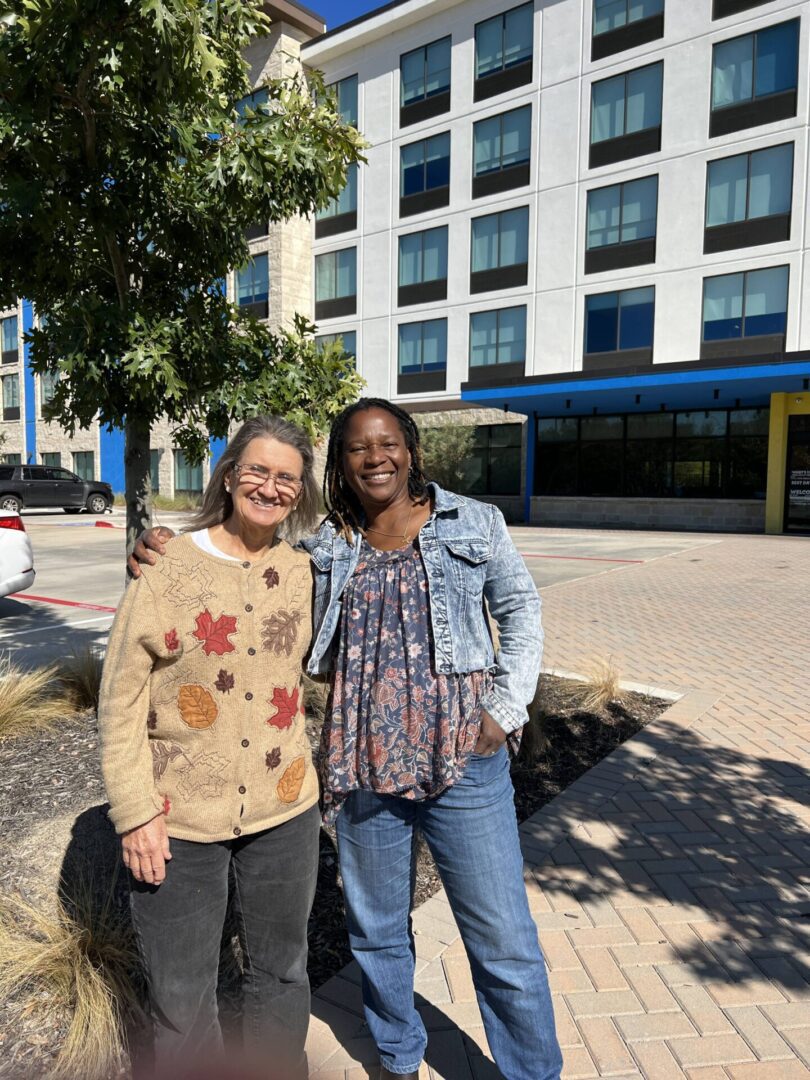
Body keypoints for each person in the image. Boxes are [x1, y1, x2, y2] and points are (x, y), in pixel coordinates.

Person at [132, 399, 562, 1080]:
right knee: (378, 934)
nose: (375, 458)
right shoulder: (327, 545)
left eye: (387, 443)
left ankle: (531, 1071)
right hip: (362, 764)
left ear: (410, 449)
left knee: (503, 940)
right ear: (339, 465)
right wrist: (167, 549)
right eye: (358, 449)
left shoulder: (473, 522)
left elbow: (521, 606)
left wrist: (506, 709)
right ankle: (398, 1056)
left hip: (463, 764)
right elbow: (246, 557)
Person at [101, 415, 320, 1080]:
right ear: (228, 476)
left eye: (287, 478)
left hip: (285, 814)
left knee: (281, 976)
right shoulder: (167, 566)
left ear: (300, 491)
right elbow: (120, 698)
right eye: (257, 470)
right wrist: (135, 810)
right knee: (181, 999)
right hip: (179, 820)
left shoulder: (305, 570)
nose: (270, 487)